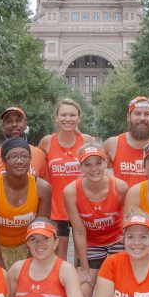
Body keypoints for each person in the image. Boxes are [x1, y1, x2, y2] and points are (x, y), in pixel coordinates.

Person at [63, 143, 129, 297]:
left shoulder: (120, 187)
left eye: (98, 162)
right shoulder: (72, 191)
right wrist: (82, 268)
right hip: (90, 243)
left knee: (121, 292)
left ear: (106, 163)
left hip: (117, 240)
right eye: (87, 164)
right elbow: (78, 231)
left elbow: (126, 223)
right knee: (84, 292)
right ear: (80, 166)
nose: (94, 168)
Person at [0, 137, 52, 268]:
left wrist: (28, 266)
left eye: (24, 156)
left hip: (31, 250)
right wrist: (1, 268)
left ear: (30, 160)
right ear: (4, 161)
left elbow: (40, 232)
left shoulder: (42, 188)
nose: (19, 161)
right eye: (13, 157)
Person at [38, 98, 88, 259]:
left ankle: (80, 284)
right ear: (56, 118)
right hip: (56, 210)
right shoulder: (47, 142)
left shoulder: (87, 141)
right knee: (59, 258)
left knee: (82, 258)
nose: (68, 119)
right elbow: (38, 173)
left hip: (83, 209)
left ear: (79, 118)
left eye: (72, 115)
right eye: (64, 115)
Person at [104, 96, 149, 186]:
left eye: (147, 114)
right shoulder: (112, 144)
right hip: (124, 200)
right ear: (129, 117)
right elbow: (96, 172)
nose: (142, 118)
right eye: (137, 114)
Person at [0, 106, 48, 183]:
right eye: (9, 121)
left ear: (25, 125)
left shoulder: (40, 156)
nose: (14, 124)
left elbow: (46, 190)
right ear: (2, 127)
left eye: (18, 120)